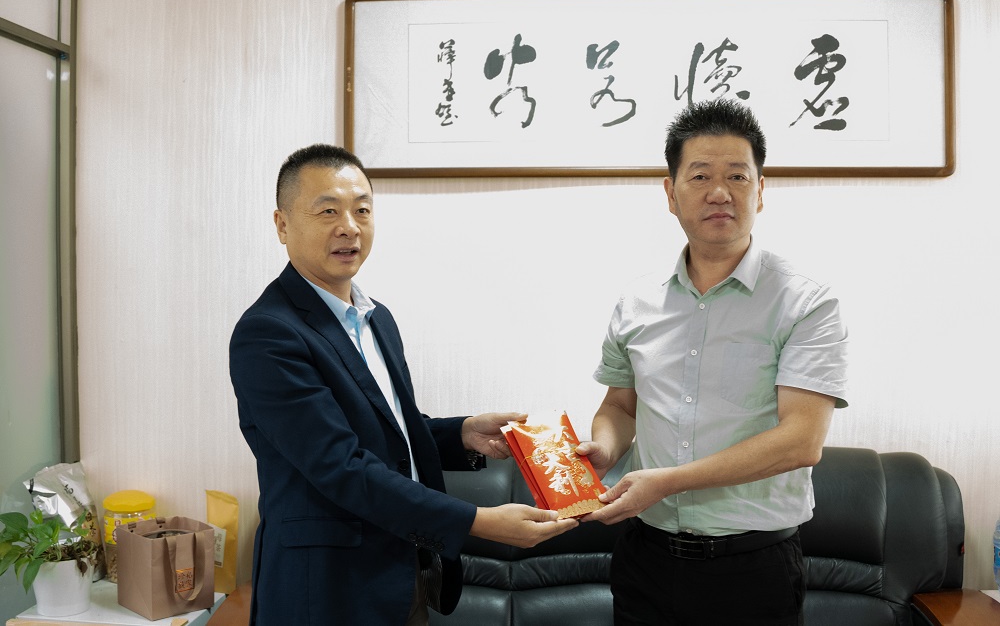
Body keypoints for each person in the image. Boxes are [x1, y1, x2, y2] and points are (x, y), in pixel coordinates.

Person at [229, 144, 577, 625]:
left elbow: (384, 432)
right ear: (282, 224)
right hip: (325, 590)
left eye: (362, 210)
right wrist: (477, 522)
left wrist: (462, 433)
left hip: (402, 572)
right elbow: (341, 466)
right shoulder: (269, 333)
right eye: (328, 211)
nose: (349, 226)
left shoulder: (377, 319)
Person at [576, 99, 848, 625]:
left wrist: (667, 481)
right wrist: (604, 449)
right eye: (700, 175)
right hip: (645, 560)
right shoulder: (636, 303)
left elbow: (801, 441)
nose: (719, 192)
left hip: (753, 568)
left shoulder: (806, 302)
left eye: (737, 177)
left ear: (760, 191)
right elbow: (621, 407)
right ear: (670, 192)